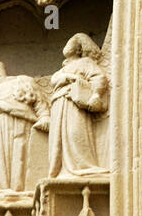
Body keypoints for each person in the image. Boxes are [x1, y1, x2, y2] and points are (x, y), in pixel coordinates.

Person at [47, 34, 109, 179]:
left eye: (73, 42)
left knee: (75, 132)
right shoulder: (64, 68)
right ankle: (60, 169)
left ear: (79, 49)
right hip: (58, 103)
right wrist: (70, 77)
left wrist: (96, 95)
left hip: (74, 102)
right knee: (57, 139)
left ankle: (83, 166)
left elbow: (99, 78)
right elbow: (54, 80)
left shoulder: (86, 63)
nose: (68, 44)